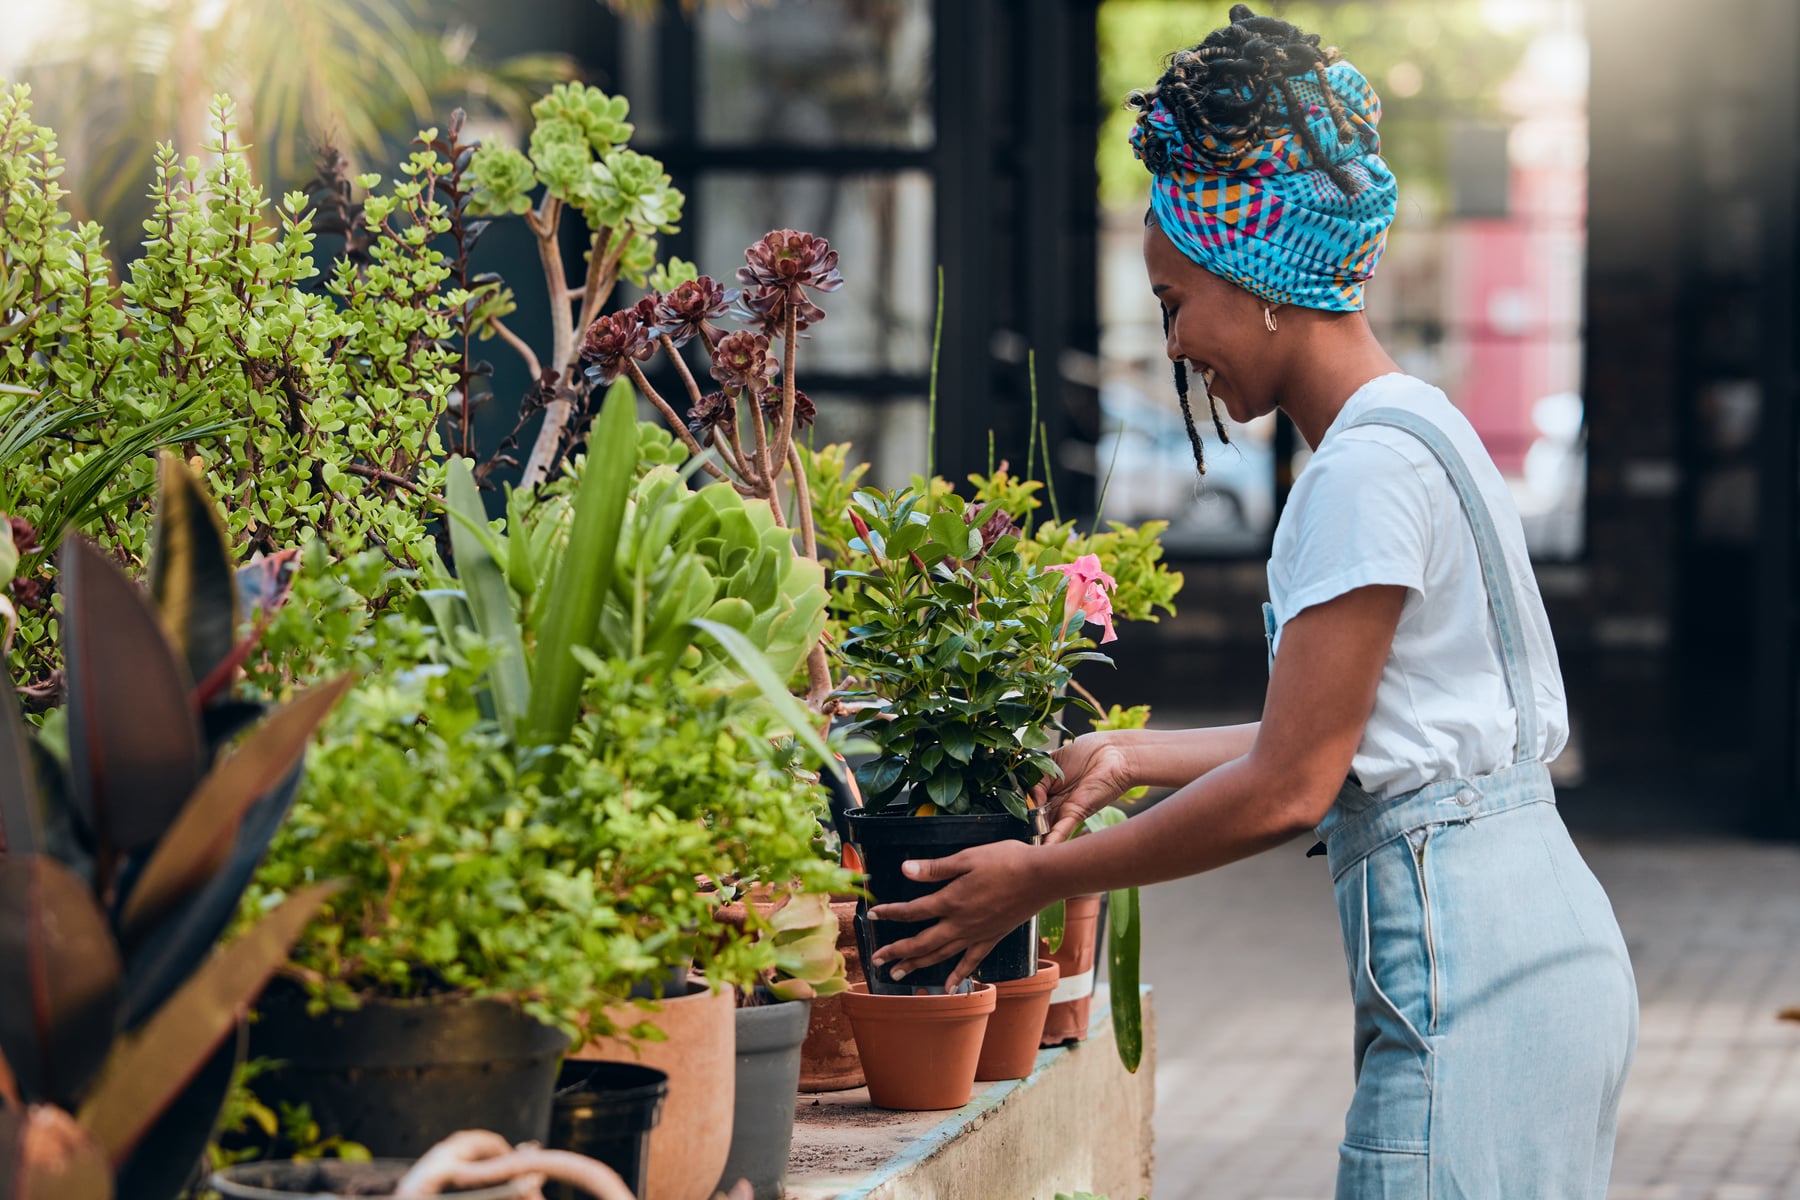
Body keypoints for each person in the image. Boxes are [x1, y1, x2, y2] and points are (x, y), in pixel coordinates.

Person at [865, 6, 1638, 1195]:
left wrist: (1038, 878)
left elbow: (1290, 788)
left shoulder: (1362, 474)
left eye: (1175, 302)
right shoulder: (1421, 425)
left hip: (1474, 975)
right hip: (1540, 950)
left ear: (1256, 279)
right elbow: (1358, 736)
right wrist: (1133, 756)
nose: (1176, 344)